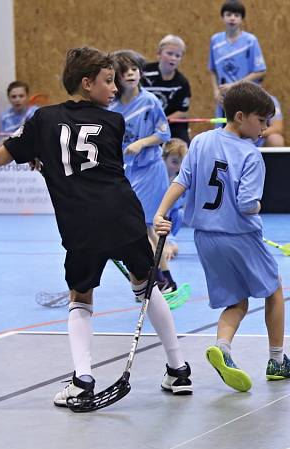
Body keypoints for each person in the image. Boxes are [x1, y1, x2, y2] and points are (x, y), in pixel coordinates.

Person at [0, 47, 192, 406]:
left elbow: (0, 157)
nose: (114, 89)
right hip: (123, 215)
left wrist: (37, 153)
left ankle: (82, 380)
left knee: (80, 297)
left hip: (80, 223)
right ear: (87, 83)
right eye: (107, 81)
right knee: (145, 285)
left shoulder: (42, 118)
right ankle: (178, 371)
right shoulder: (114, 123)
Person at [153, 82, 290, 392]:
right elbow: (248, 203)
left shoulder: (202, 141)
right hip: (240, 236)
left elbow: (183, 181)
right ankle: (277, 361)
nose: (264, 129)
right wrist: (259, 204)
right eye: (261, 121)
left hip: (205, 238)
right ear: (239, 116)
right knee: (273, 290)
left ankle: (222, 348)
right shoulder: (251, 155)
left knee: (236, 301)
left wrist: (161, 212)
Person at [108, 50, 181, 295]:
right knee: (140, 229)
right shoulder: (113, 106)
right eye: (124, 71)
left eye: (134, 69)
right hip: (127, 172)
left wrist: (141, 143)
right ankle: (161, 279)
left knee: (145, 226)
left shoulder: (150, 101)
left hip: (150, 170)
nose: (130, 74)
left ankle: (162, 279)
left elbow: (164, 134)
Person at [208, 1, 267, 121]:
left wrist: (235, 86)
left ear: (241, 19)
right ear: (223, 17)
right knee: (224, 133)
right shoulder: (215, 41)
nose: (232, 18)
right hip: (224, 98)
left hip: (247, 96)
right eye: (228, 15)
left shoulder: (250, 41)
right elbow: (212, 70)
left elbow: (260, 71)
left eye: (236, 15)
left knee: (245, 133)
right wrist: (215, 91)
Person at [141, 35, 192, 144]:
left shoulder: (182, 83)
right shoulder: (144, 73)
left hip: (170, 125)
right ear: (159, 54)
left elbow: (182, 112)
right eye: (169, 53)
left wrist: (162, 122)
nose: (173, 58)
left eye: (178, 56)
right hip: (144, 121)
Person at [161, 138, 189, 262]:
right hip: (151, 223)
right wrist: (166, 243)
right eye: (174, 162)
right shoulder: (157, 180)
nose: (177, 167)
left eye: (181, 163)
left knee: (180, 213)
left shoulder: (181, 179)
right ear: (163, 158)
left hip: (167, 223)